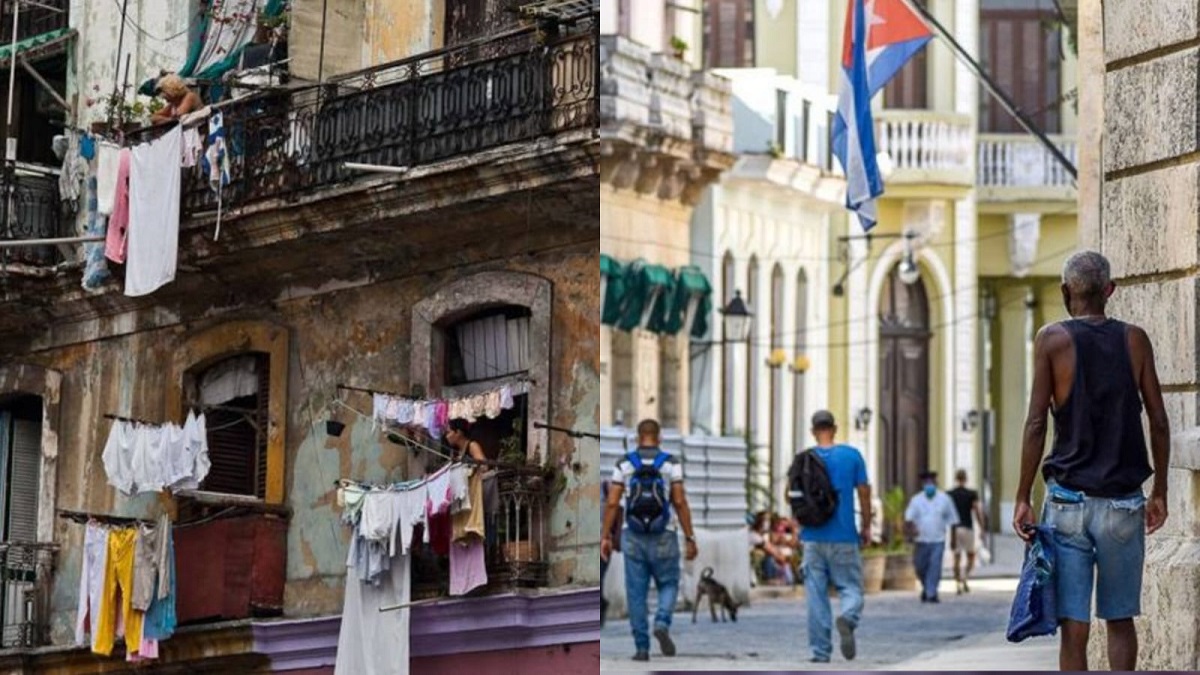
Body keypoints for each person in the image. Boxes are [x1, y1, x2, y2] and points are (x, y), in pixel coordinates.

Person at [1013, 250, 1170, 672]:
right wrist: (1161, 492)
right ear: (1110, 291)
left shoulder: (1052, 339)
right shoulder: (1134, 340)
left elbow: (1034, 424)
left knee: (1074, 625)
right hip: (1122, 502)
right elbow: (1158, 420)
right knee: (1120, 619)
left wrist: (1023, 495)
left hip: (1066, 502)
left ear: (1066, 292)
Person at [601, 419, 698, 663]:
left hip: (632, 535)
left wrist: (605, 536)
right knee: (669, 583)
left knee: (636, 593)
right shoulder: (670, 464)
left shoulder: (624, 463)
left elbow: (612, 502)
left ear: (637, 437)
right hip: (664, 533)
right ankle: (662, 622)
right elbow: (679, 501)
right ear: (659, 437)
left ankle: (642, 648)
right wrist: (689, 537)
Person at [798, 410, 871, 663]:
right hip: (844, 535)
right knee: (851, 587)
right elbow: (863, 493)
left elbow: (794, 498)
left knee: (816, 595)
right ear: (835, 428)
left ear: (813, 430)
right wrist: (867, 525)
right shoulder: (852, 456)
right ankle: (848, 618)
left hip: (812, 537)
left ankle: (820, 652)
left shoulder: (805, 459)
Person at [904, 470, 960, 603]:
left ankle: (931, 593)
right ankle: (926, 587)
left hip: (938, 540)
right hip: (921, 540)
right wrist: (911, 531)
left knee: (935, 566)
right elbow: (908, 519)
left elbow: (953, 520)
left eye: (931, 483)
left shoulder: (945, 499)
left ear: (936, 483)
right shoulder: (916, 500)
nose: (929, 485)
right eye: (926, 483)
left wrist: (953, 539)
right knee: (920, 567)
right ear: (923, 484)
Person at [947, 469, 987, 594]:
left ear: (955, 478)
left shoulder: (950, 494)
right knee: (971, 556)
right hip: (968, 527)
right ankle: (964, 577)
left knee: (956, 557)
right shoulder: (972, 494)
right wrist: (982, 527)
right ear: (966, 479)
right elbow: (977, 510)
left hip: (955, 528)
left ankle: (957, 582)